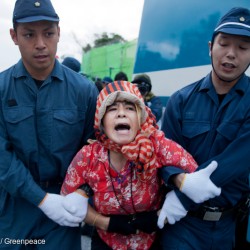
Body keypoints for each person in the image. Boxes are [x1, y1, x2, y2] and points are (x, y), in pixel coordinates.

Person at [61, 80, 221, 250]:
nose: (121, 114)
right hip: (104, 241)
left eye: (130, 108)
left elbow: (195, 178)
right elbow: (68, 198)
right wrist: (106, 223)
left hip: (151, 241)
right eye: (112, 109)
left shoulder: (157, 145)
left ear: (140, 118)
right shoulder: (88, 156)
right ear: (101, 122)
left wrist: (168, 209)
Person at [0, 0, 98, 249]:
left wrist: (82, 192)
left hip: (64, 206)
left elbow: (95, 150)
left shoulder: (83, 91)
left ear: (59, 33)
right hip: (13, 208)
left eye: (48, 33)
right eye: (29, 34)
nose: (41, 44)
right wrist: (41, 199)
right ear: (14, 35)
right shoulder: (2, 89)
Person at [160, 7, 250, 250]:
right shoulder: (180, 100)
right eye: (224, 44)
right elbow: (163, 155)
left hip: (227, 227)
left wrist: (182, 197)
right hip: (182, 227)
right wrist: (178, 180)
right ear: (211, 47)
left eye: (243, 47)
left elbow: (236, 161)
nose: (231, 54)